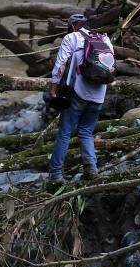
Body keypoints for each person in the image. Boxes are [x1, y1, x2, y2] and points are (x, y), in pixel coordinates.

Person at [47, 13, 113, 184]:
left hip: (79, 93)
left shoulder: (71, 38)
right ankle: (91, 169)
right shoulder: (104, 39)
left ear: (72, 26)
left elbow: (60, 66)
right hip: (99, 96)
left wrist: (53, 89)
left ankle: (56, 175)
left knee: (65, 132)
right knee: (86, 132)